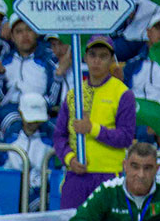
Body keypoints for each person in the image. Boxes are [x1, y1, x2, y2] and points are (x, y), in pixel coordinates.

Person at [53, 36, 137, 209]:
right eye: (93, 55)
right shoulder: (73, 94)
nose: (97, 60)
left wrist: (93, 129)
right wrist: (70, 159)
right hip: (76, 174)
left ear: (111, 60)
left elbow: (126, 137)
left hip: (109, 175)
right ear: (85, 58)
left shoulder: (123, 94)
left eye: (103, 56)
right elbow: (59, 136)